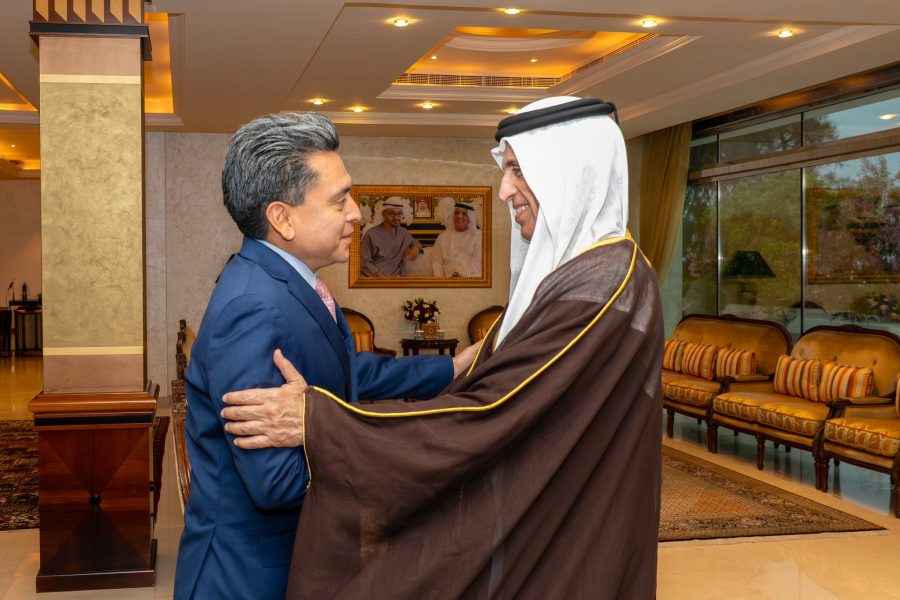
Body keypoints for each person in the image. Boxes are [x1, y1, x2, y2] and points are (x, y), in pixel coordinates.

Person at [223, 97, 663, 599]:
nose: (504, 190)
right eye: (340, 200)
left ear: (570, 173)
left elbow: (493, 412)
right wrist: (462, 365)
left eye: (518, 170)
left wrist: (318, 422)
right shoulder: (590, 272)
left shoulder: (604, 280)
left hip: (570, 517)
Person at [173, 112, 475, 600]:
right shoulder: (253, 306)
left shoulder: (289, 282)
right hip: (252, 577)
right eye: (340, 200)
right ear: (282, 218)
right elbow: (275, 481)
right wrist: (379, 449)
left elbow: (345, 373)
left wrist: (452, 366)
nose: (357, 213)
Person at [359, 198, 422, 276]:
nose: (396, 217)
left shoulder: (403, 233)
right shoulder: (371, 234)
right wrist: (381, 276)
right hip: (376, 277)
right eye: (392, 213)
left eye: (399, 214)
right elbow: (363, 262)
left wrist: (415, 247)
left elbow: (415, 241)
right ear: (384, 214)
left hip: (398, 276)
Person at [431, 202, 482, 277]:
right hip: (449, 278)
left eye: (464, 213)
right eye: (457, 213)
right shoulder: (442, 237)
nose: (459, 216)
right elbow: (437, 262)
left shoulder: (478, 236)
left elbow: (478, 260)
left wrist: (461, 274)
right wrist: (440, 281)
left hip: (471, 276)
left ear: (469, 218)